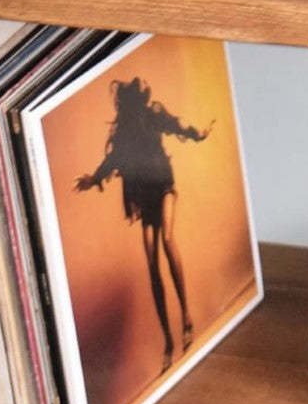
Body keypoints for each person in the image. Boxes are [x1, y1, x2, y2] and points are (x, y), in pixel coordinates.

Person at [74, 76, 214, 371]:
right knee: (151, 262)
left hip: (163, 187)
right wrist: (92, 179)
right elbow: (111, 161)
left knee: (166, 240)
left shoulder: (153, 117)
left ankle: (186, 317)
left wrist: (197, 134)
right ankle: (168, 339)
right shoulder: (124, 134)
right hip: (144, 196)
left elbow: (177, 125)